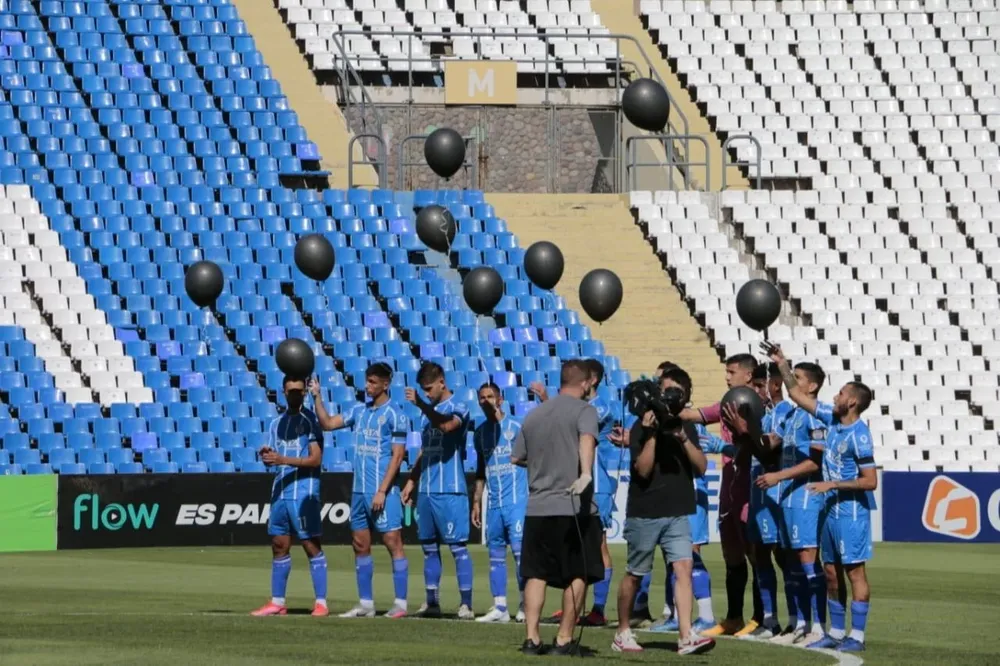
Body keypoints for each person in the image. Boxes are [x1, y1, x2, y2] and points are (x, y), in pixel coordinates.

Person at [765, 343, 875, 653]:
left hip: (851, 513)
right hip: (829, 511)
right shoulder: (831, 419)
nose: (835, 397)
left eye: (841, 394)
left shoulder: (860, 435)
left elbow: (871, 481)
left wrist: (833, 484)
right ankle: (836, 632)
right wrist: (782, 363)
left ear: (852, 401)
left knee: (855, 573)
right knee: (830, 572)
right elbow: (796, 394)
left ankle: (857, 636)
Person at [612, 367, 715, 656]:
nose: (667, 396)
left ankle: (685, 635)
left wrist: (682, 436)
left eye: (673, 391)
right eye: (664, 390)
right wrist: (652, 434)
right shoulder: (639, 426)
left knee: (683, 568)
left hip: (678, 511)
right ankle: (622, 631)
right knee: (635, 574)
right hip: (645, 512)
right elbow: (643, 470)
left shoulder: (686, 425)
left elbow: (701, 467)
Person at [512, 359, 604, 656]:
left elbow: (516, 457)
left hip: (537, 507)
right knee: (579, 572)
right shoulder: (584, 410)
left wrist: (545, 463)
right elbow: (587, 438)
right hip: (573, 506)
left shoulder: (534, 415)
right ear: (586, 383)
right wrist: (585, 473)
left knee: (536, 573)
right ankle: (563, 639)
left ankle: (532, 638)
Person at [310, 365, 410, 619]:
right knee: (359, 544)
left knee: (393, 542)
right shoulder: (359, 410)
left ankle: (400, 604)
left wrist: (382, 490)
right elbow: (327, 424)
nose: (367, 386)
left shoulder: (395, 415)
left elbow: (398, 456)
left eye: (373, 382)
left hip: (382, 491)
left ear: (386, 384)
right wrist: (317, 396)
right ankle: (366, 604)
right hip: (358, 492)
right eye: (367, 381)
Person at [530, 359, 618, 627]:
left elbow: (573, 425)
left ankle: (598, 609)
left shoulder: (599, 408)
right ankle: (573, 608)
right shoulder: (582, 408)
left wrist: (548, 403)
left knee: (598, 545)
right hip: (575, 484)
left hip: (596, 485)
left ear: (592, 380)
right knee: (572, 546)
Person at [681, 354, 763, 637]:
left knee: (755, 555)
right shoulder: (727, 403)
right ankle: (733, 617)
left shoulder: (759, 406)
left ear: (748, 375)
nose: (727, 377)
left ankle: (760, 618)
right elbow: (694, 415)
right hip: (729, 490)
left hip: (751, 490)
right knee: (732, 554)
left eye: (731, 372)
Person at [754, 355, 828, 646]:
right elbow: (770, 443)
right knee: (792, 563)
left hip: (807, 495)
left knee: (808, 561)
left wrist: (779, 476)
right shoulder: (793, 415)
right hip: (788, 496)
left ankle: (817, 627)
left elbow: (815, 462)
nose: (790, 383)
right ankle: (798, 623)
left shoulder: (815, 415)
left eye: (797, 378)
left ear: (812, 386)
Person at [401, 362, 474, 619]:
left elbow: (446, 427)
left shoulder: (460, 407)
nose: (427, 393)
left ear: (442, 382)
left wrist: (422, 404)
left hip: (450, 490)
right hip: (426, 492)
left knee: (457, 548)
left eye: (429, 388)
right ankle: (432, 602)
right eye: (423, 389)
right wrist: (412, 480)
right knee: (429, 548)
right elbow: (424, 450)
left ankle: (466, 604)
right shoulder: (425, 414)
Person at [728, 363, 795, 639]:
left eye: (758, 386)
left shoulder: (785, 412)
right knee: (760, 556)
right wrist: (740, 433)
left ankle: (796, 621)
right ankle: (769, 621)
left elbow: (770, 447)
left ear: (775, 385)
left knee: (784, 558)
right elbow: (749, 452)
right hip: (758, 495)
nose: (754, 391)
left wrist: (746, 431)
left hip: (779, 495)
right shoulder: (761, 414)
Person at [250, 376, 328, 617]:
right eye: (290, 391)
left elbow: (316, 459)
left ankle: (321, 603)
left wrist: (282, 459)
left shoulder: (311, 421)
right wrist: (267, 455)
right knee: (279, 544)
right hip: (280, 491)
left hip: (303, 492)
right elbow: (275, 457)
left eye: (298, 391)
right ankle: (277, 602)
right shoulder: (276, 424)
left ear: (304, 393)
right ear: (284, 392)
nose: (294, 395)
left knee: (310, 544)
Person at [471, 382, 526, 623]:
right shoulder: (480, 433)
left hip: (517, 502)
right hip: (493, 504)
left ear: (500, 399)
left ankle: (525, 604)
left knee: (520, 556)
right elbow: (480, 470)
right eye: (482, 398)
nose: (486, 401)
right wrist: (476, 501)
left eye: (490, 396)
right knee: (495, 556)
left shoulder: (516, 427)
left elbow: (535, 459)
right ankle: (500, 607)